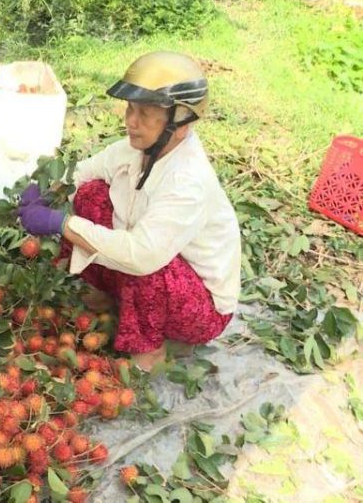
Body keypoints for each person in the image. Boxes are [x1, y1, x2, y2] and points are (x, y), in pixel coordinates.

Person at [18, 51, 241, 371]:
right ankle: (109, 296)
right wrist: (44, 186)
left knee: (146, 265)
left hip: (200, 307)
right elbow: (83, 173)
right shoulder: (136, 150)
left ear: (180, 124)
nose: (131, 121)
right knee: (91, 194)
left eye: (145, 114)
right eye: (130, 109)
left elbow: (142, 255)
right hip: (157, 266)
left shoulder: (188, 182)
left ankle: (149, 350)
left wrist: (61, 223)